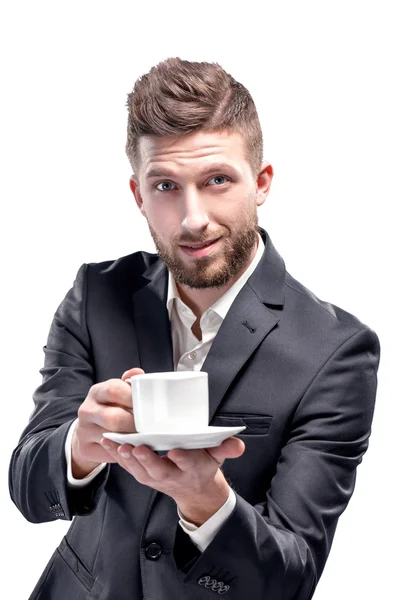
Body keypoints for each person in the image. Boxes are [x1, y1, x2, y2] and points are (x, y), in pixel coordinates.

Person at [9, 57, 380, 600]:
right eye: (165, 186)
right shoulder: (96, 295)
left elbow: (291, 576)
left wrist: (207, 501)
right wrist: (78, 447)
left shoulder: (336, 350)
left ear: (262, 182)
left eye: (217, 180)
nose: (193, 218)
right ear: (138, 195)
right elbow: (27, 488)